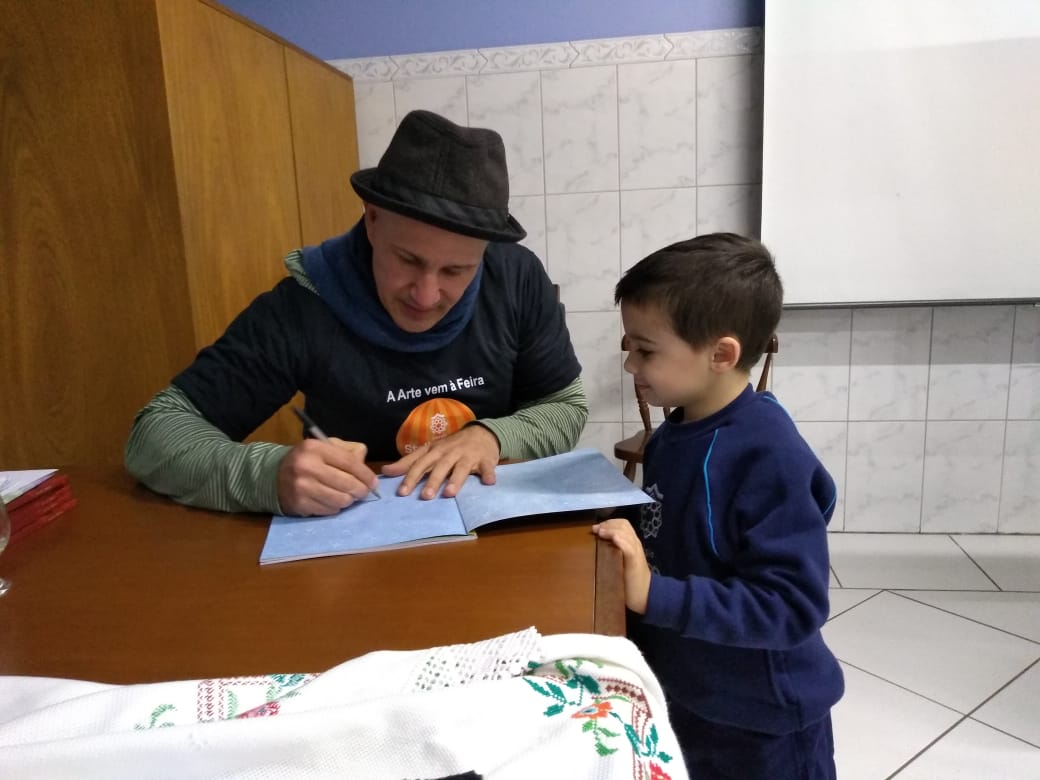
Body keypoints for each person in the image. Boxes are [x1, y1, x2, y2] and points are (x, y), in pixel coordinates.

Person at [125, 110, 587, 517]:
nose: (426, 295)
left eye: (456, 270)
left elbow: (565, 407)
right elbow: (154, 436)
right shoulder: (306, 303)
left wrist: (493, 437)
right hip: (358, 542)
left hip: (497, 533)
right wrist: (266, 475)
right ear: (372, 218)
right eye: (407, 260)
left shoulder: (516, 278)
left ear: (484, 252)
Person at [592, 233, 843, 779]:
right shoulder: (672, 434)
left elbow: (792, 605)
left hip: (761, 720)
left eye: (646, 350)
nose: (631, 365)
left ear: (721, 355)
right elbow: (667, 518)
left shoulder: (768, 454)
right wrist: (615, 519)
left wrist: (653, 594)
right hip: (692, 693)